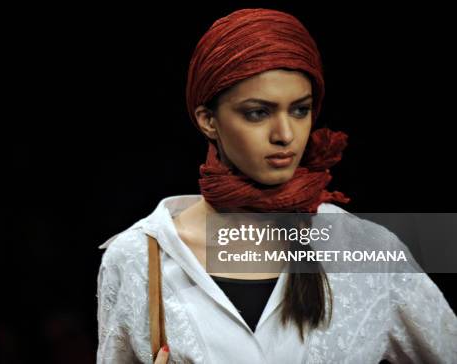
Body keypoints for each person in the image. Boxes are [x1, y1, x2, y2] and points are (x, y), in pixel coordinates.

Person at [96, 8, 457, 363]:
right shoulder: (137, 259)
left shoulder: (365, 248)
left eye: (300, 110)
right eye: (258, 112)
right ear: (207, 120)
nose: (286, 135)